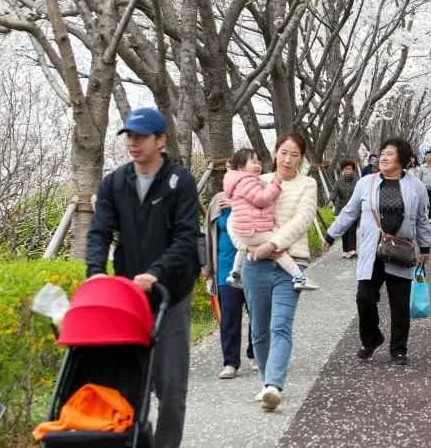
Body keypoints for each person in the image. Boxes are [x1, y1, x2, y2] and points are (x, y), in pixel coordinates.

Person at [85, 107, 200, 448]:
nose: (133, 143)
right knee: (130, 385)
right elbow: (99, 232)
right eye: (129, 137)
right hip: (129, 299)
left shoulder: (179, 182)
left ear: (161, 140)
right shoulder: (115, 183)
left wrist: (156, 272)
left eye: (140, 137)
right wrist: (95, 273)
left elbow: (186, 238)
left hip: (170, 295)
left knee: (171, 388)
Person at [326, 138, 431, 365]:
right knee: (364, 298)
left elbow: (422, 219)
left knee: (400, 303)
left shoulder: (417, 187)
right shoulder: (366, 183)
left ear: (402, 159)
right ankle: (371, 339)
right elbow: (349, 212)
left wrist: (425, 247)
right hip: (372, 250)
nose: (383, 157)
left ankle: (399, 349)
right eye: (382, 153)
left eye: (390, 153)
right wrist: (330, 234)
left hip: (400, 250)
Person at [241, 133, 318, 411]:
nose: (287, 159)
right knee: (259, 329)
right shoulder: (257, 181)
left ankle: (274, 385)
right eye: (283, 152)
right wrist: (251, 247)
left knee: (280, 325)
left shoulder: (308, 184)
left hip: (292, 263)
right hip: (255, 264)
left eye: (294, 155)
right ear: (275, 153)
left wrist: (272, 245)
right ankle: (266, 383)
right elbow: (240, 219)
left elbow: (302, 220)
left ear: (302, 158)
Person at [223, 148, 317, 292]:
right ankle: (299, 277)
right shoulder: (247, 181)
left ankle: (235, 273)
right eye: (253, 162)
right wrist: (275, 185)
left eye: (259, 162)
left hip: (243, 231)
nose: (258, 165)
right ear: (241, 167)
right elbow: (261, 199)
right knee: (278, 247)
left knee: (243, 249)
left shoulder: (236, 182)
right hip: (254, 229)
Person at [205, 191, 254, 380]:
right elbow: (209, 236)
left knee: (257, 314)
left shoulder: (255, 195)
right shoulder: (217, 201)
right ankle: (230, 362)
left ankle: (255, 353)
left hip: (252, 265)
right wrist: (208, 269)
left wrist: (238, 206)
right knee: (229, 317)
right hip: (225, 268)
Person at [332, 159, 359, 258]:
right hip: (342, 209)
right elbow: (334, 193)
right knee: (344, 230)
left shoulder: (357, 181)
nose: (348, 171)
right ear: (343, 170)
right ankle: (345, 251)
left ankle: (352, 250)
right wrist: (331, 201)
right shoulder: (338, 182)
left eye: (350, 169)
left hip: (354, 209)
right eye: (346, 169)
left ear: (353, 170)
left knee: (352, 229)